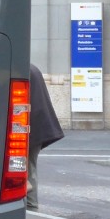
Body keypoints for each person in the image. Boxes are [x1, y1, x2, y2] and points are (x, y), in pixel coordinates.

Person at [27, 64, 64, 210]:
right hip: (37, 125)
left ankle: (30, 205)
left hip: (31, 127)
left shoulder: (22, 68)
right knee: (29, 166)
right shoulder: (31, 68)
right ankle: (30, 203)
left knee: (26, 167)